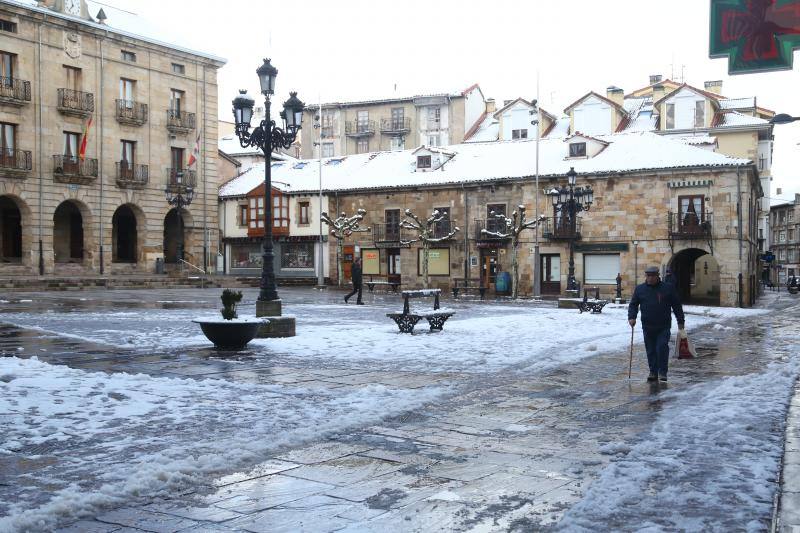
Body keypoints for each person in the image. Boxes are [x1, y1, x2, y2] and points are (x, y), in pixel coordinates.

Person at [628, 266, 685, 383]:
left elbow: (677, 305)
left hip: (663, 325)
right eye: (648, 276)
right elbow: (633, 304)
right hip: (647, 325)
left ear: (657, 276)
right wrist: (632, 317)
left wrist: (680, 321)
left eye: (652, 276)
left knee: (662, 347)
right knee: (650, 350)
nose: (650, 278)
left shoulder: (668, 288)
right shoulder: (640, 289)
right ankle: (653, 372)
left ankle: (662, 372)